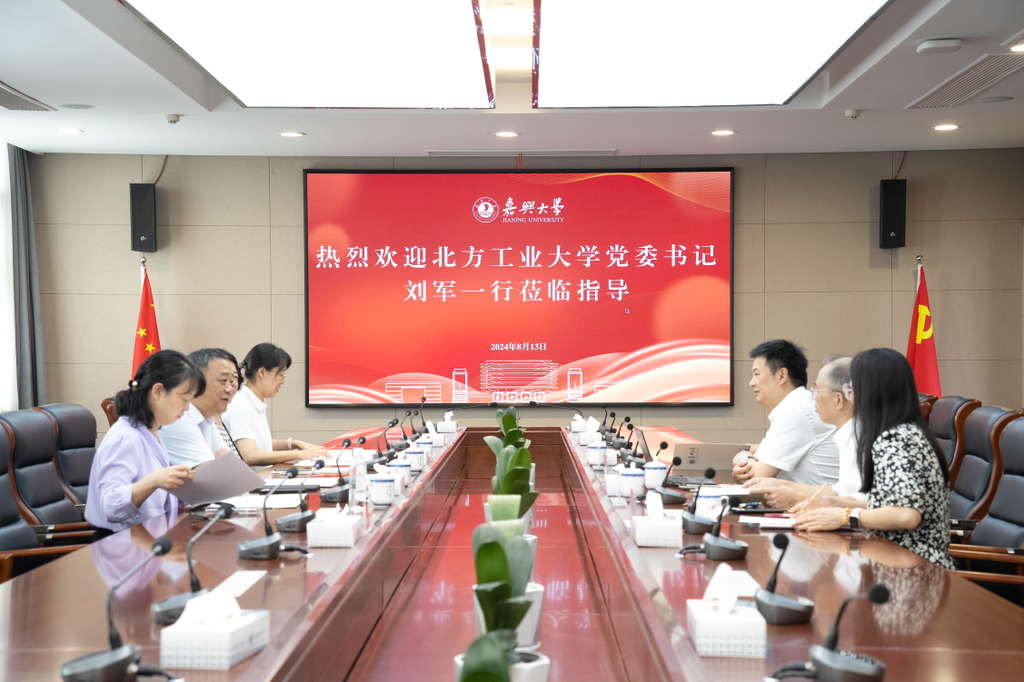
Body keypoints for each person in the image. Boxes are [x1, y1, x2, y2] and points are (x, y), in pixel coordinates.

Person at [791, 348, 956, 569]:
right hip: (889, 559)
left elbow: (906, 515)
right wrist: (835, 503)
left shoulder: (897, 439)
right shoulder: (900, 433)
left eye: (852, 389)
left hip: (914, 571)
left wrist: (845, 515)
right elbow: (891, 503)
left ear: (871, 392)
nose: (849, 396)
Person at [85, 350, 201, 532]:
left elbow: (156, 502)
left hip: (153, 536)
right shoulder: (126, 438)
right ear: (158, 391)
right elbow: (111, 506)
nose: (187, 408)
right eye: (184, 399)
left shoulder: (151, 432)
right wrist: (155, 481)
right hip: (122, 543)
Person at [743, 356, 865, 509]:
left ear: (839, 399)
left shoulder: (866, 439)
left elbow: (869, 503)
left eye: (817, 390)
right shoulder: (848, 434)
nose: (813, 397)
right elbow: (839, 491)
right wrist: (781, 485)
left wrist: (797, 498)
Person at [731, 340, 840, 485]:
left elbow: (756, 477)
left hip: (820, 498)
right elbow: (757, 461)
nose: (751, 382)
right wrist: (750, 458)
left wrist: (743, 457)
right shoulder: (795, 406)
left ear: (782, 375)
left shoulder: (796, 411)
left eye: (756, 374)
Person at [222, 343, 329, 469]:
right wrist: (299, 454)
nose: (282, 381)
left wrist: (293, 443)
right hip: (253, 481)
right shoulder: (240, 406)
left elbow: (261, 444)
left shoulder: (252, 401)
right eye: (280, 375)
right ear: (262, 372)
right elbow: (249, 455)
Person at [161, 348, 239, 466]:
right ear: (195, 382)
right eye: (223, 380)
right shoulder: (179, 418)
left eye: (233, 380)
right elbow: (214, 473)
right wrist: (215, 462)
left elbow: (232, 463)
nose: (229, 389)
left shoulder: (206, 417)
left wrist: (216, 462)